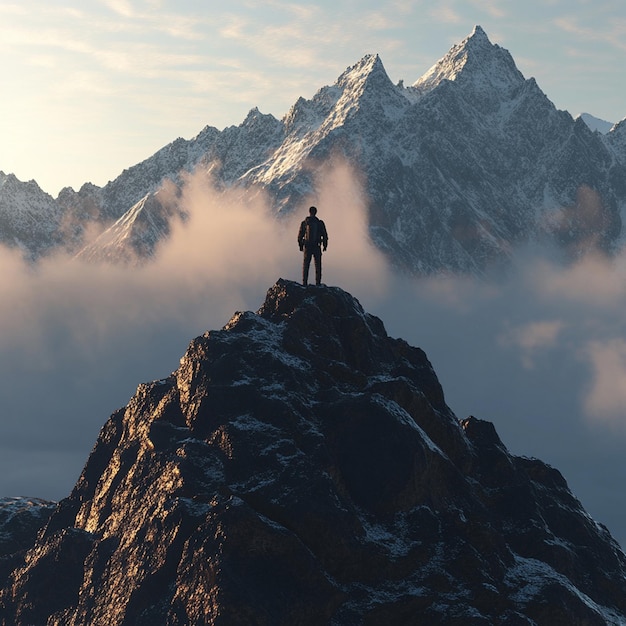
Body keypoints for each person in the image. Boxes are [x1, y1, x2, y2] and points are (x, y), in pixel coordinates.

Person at [297, 206, 328, 286]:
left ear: (309, 212)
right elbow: (325, 235)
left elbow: (300, 235)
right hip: (316, 246)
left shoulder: (305, 222)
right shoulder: (320, 223)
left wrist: (301, 246)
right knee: (318, 265)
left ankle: (304, 283)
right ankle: (318, 283)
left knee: (306, 265)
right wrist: (325, 245)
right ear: (316, 212)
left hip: (307, 246)